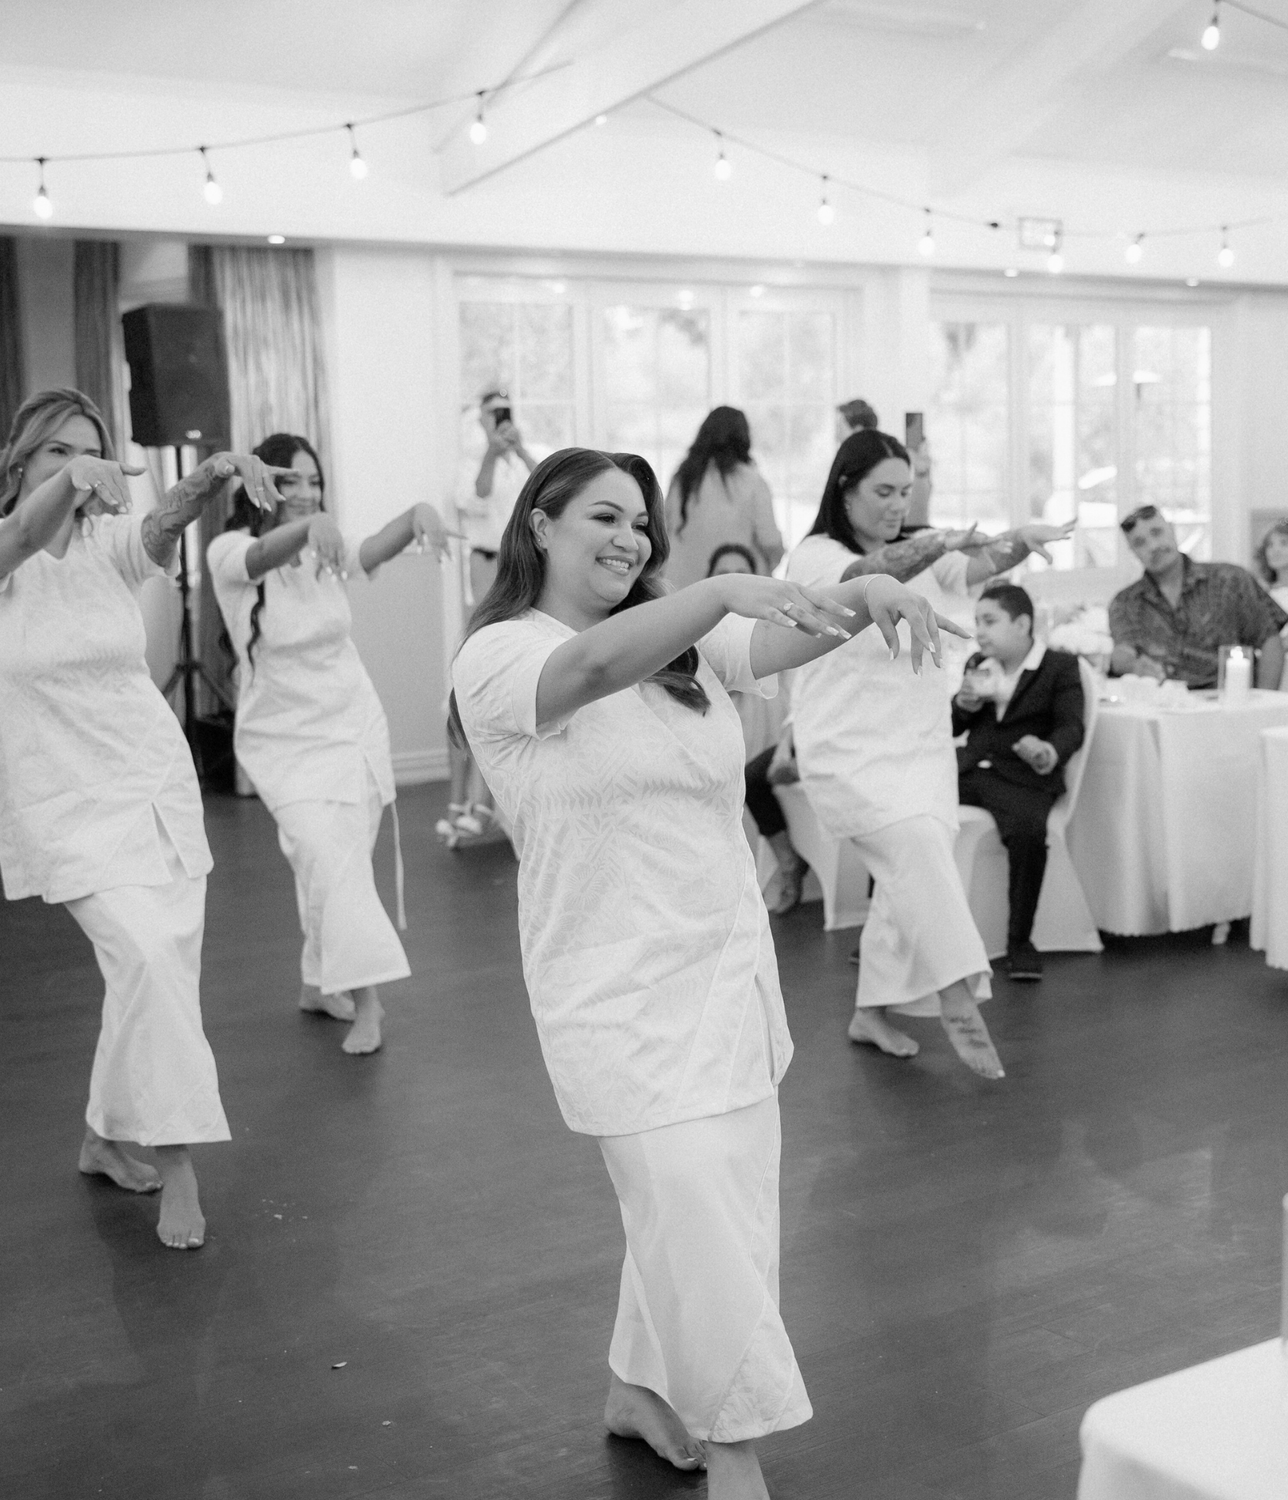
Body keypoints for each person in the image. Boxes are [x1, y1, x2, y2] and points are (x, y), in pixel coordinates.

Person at [451, 445, 958, 1500]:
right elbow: (590, 673)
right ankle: (735, 1448)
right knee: (686, 1199)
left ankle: (638, 1388)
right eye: (603, 515)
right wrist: (719, 585)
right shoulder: (500, 654)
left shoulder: (689, 652)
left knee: (716, 1204)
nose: (630, 536)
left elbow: (783, 635)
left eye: (640, 520)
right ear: (538, 525)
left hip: (723, 968)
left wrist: (867, 589)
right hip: (609, 987)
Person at [0, 387, 291, 1251]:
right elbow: (23, 535)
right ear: (20, 462)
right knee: (143, 956)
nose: (76, 467)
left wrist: (208, 476)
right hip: (62, 799)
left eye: (90, 451)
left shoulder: (105, 542)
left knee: (155, 970)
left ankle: (104, 1135)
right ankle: (179, 1167)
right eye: (58, 452)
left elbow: (160, 530)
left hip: (149, 781)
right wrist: (70, 486)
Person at [783, 430, 1068, 1076]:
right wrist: (940, 538)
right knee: (913, 851)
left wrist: (1023, 537)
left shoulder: (920, 551)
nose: (895, 504)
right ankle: (958, 989)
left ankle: (871, 1011)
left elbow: (978, 568)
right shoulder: (814, 555)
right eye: (882, 491)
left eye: (904, 492)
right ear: (844, 489)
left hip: (920, 745)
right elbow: (863, 579)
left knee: (912, 871)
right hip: (848, 748)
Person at [207, 432, 448, 1058]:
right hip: (283, 739)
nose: (307, 492)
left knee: (336, 862)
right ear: (261, 487)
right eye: (290, 481)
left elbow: (374, 549)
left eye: (314, 481)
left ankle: (319, 982)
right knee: (326, 857)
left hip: (352, 725)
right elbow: (261, 557)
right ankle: (369, 1001)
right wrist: (311, 526)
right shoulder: (229, 549)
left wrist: (416, 515)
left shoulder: (325, 548)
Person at [952, 583, 1084, 982]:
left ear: (1023, 623)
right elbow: (954, 725)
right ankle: (885, 930)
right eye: (977, 622)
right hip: (973, 769)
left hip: (1023, 777)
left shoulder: (1059, 666)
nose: (980, 631)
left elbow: (1071, 726)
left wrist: (1048, 750)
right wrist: (963, 704)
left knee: (1028, 831)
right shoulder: (978, 661)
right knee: (901, 805)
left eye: (989, 621)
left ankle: (1019, 941)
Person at [448, 388, 537, 844]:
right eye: (491, 412)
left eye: (504, 409)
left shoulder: (516, 459)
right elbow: (475, 498)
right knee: (484, 662)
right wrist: (488, 447)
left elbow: (549, 486)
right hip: (486, 566)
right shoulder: (471, 459)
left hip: (522, 564)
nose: (499, 418)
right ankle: (469, 801)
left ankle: (491, 804)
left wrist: (517, 447)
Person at [710, 543, 810, 915]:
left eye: (737, 573)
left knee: (755, 777)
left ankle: (780, 868)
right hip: (721, 723)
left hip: (768, 719)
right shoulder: (691, 632)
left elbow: (800, 685)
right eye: (721, 575)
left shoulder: (772, 627)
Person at [1107, 506, 1288, 689]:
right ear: (1132, 551)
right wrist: (1133, 665)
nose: (1153, 546)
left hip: (1230, 704)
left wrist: (1264, 705)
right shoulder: (1126, 602)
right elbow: (1123, 653)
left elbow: (1270, 640)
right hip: (1165, 706)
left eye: (1157, 532)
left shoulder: (1229, 581)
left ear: (1172, 529)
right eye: (1140, 543)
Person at [664, 407, 787, 591]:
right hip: (733, 592)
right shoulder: (751, 481)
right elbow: (770, 540)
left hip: (680, 590)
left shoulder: (682, 479)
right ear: (744, 438)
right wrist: (770, 567)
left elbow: (665, 531)